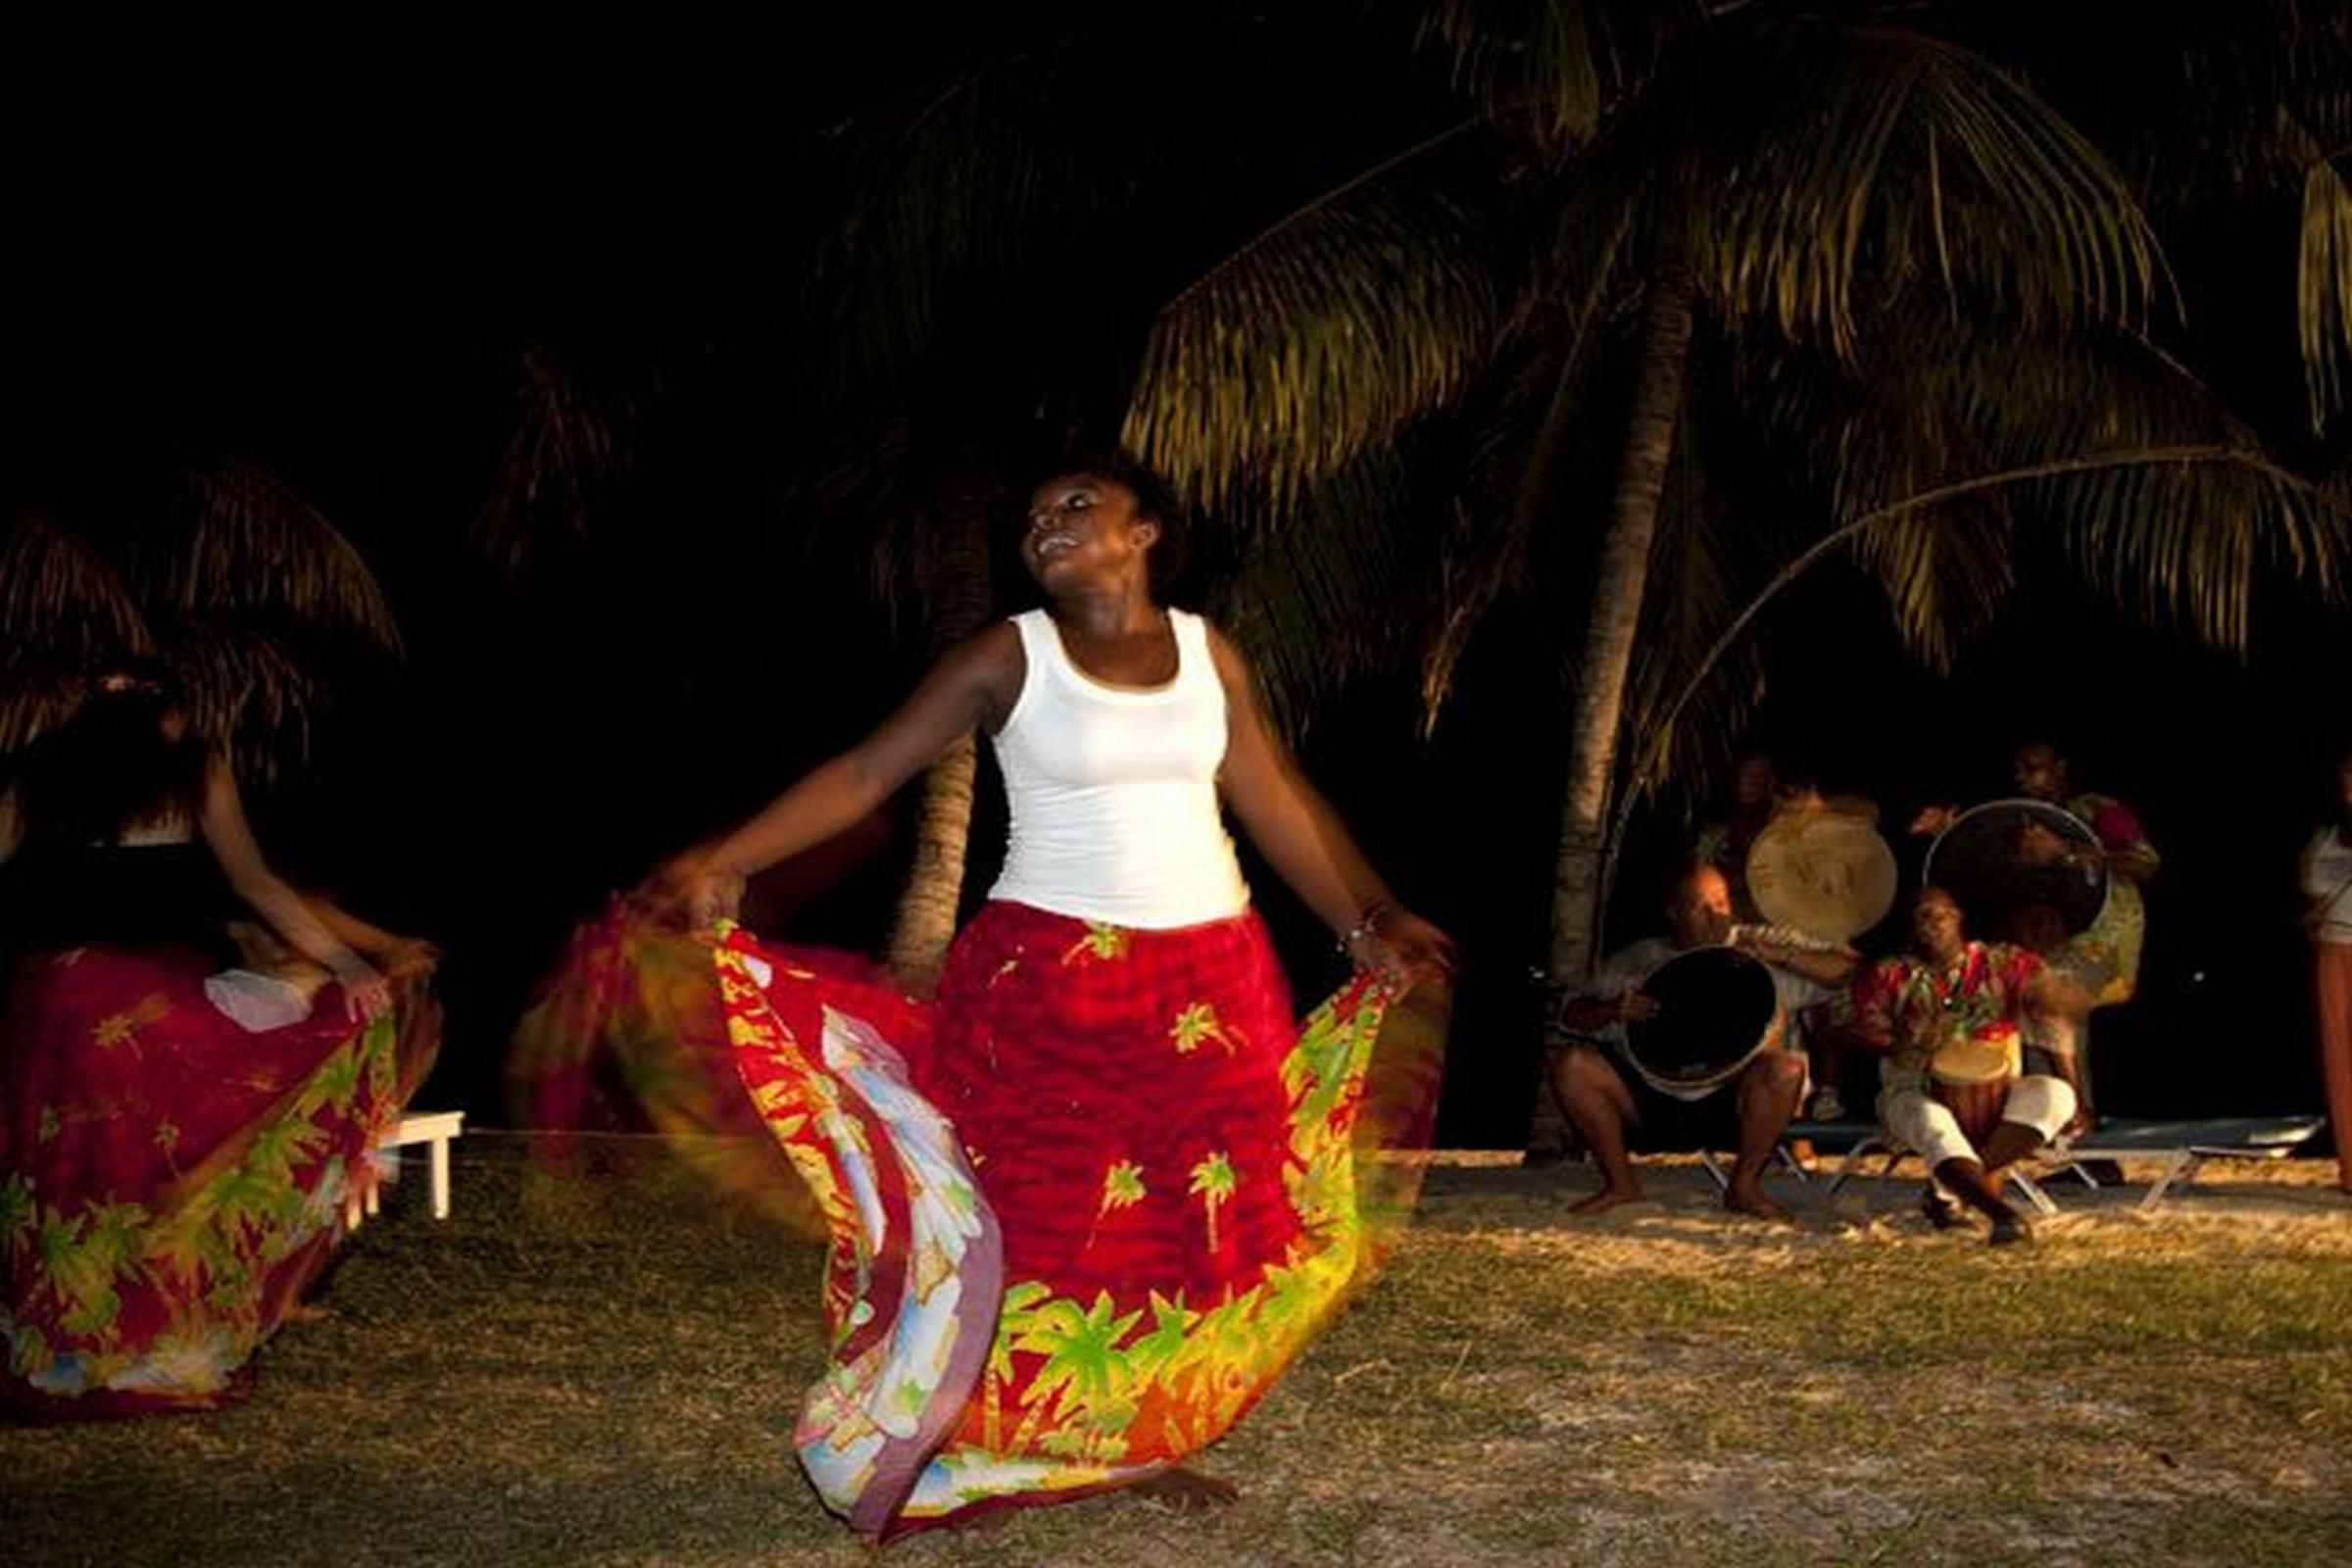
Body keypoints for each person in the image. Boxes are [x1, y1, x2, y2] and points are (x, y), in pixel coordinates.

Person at [630, 457, 1453, 1537]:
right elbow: (869, 770)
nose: (1046, 526)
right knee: (1041, 1220)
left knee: (1185, 1225)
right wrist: (729, 857)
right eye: (1033, 517)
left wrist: (1368, 916)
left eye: (1076, 506)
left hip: (1212, 982)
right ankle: (985, 1435)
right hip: (1053, 980)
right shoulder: (1010, 655)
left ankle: (1135, 1441)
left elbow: (1276, 799)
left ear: (1146, 530)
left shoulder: (1209, 654)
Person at [0, 666, 435, 1417]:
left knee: (65, 1180)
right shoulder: (194, 768)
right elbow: (257, 884)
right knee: (167, 1167)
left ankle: (53, 1343)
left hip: (51, 1003)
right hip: (143, 1004)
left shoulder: (36, 771)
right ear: (167, 715)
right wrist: (348, 967)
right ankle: (144, 1346)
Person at [1550, 862, 1855, 1219]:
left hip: (1736, 1101)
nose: (1716, 916)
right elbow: (1569, 1015)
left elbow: (1849, 971)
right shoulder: (1640, 958)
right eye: (1701, 907)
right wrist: (1612, 1010)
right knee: (1572, 1065)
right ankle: (1620, 1184)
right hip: (1653, 1097)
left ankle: (1743, 1187)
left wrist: (1782, 956)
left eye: (1722, 903)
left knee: (1785, 1068)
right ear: (1674, 912)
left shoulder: (1760, 947)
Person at [1846, 888, 2080, 1248]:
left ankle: (1948, 1189)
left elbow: (2053, 1011)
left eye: (1936, 915)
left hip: (2001, 1091)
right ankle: (2002, 1214)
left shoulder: (2002, 963)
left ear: (1958, 916)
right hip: (1915, 1087)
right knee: (1932, 1125)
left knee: (2057, 1096)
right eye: (1919, 918)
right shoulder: (1888, 974)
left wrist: (2054, 993)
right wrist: (1907, 1044)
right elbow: (1862, 1029)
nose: (1928, 926)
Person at [2297, 747, 2352, 1194]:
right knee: (2342, 1058)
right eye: (2347, 775)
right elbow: (2310, 887)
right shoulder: (2329, 832)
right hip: (2335, 946)